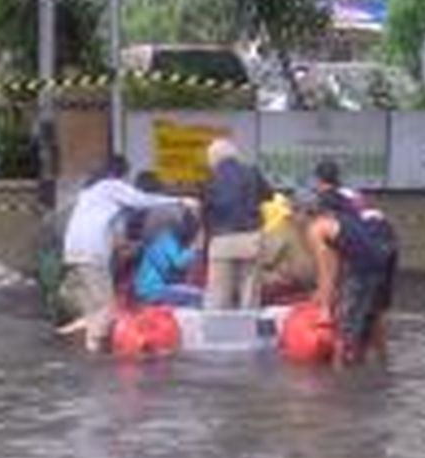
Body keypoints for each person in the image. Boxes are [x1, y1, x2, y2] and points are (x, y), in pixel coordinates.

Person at [57, 155, 189, 352]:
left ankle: (89, 345)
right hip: (91, 253)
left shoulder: (89, 192)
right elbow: (143, 200)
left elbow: (107, 226)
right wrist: (180, 200)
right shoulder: (111, 186)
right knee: (106, 308)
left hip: (73, 252)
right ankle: (94, 354)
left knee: (93, 309)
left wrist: (120, 244)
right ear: (120, 173)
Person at [305, 166, 399, 367]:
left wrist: (324, 303)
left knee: (344, 325)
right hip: (385, 251)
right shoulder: (350, 205)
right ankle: (382, 366)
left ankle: (340, 380)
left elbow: (328, 269)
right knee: (373, 314)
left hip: (365, 260)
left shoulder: (318, 224)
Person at [203, 138, 271, 310]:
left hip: (222, 240)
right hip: (251, 237)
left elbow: (206, 212)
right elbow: (269, 194)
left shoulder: (211, 179)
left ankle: (220, 331)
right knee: (249, 294)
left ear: (213, 158)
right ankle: (248, 332)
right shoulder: (252, 172)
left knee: (219, 294)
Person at [133, 209, 204, 308]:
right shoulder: (168, 239)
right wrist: (195, 250)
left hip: (148, 290)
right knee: (199, 296)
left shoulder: (161, 239)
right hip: (154, 289)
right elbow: (179, 262)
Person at [259, 191, 318, 305]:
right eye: (310, 213)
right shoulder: (280, 232)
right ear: (294, 211)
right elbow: (261, 266)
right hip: (285, 294)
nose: (313, 218)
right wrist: (278, 277)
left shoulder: (316, 232)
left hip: (309, 292)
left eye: (314, 214)